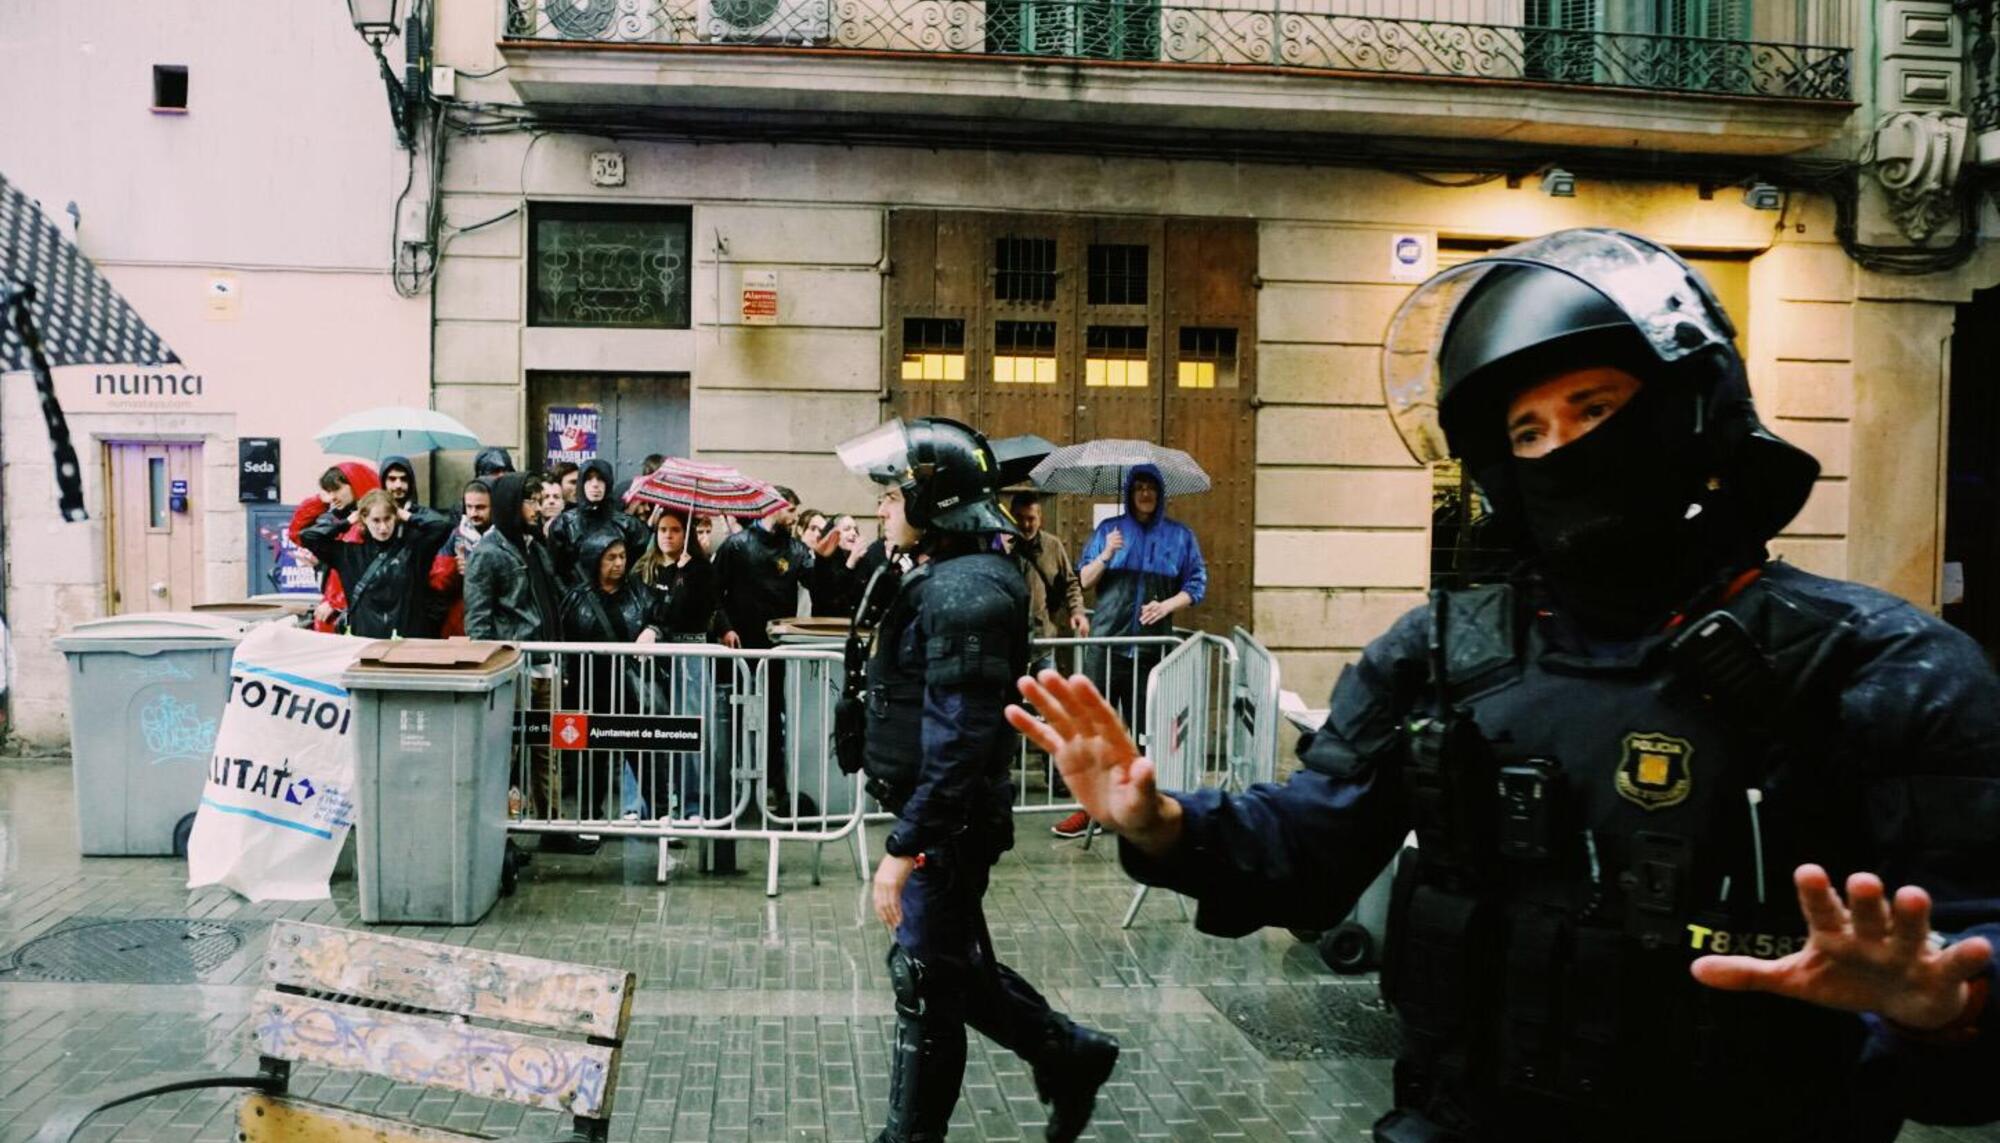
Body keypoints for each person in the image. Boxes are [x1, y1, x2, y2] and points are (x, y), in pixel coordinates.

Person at [1007, 229, 2000, 1143]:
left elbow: (1965, 948)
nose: (1561, 448)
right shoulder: (1438, 655)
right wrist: (1163, 823)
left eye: (1595, 409)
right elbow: (1306, 847)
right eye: (1526, 433)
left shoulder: (1885, 670)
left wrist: (1945, 1008)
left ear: (1693, 412)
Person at [836, 417, 1119, 1143]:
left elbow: (960, 742)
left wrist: (903, 848)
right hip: (938, 816)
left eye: (893, 496)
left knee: (927, 981)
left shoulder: (968, 593)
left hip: (948, 825)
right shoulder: (943, 574)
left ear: (934, 502)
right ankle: (1070, 1051)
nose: (881, 508)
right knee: (947, 969)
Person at [1053, 465, 1206, 838]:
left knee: (1145, 734)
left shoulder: (1180, 536)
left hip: (1151, 653)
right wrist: (1106, 554)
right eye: (1137, 487)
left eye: (1150, 487)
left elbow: (1197, 584)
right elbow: (1083, 581)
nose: (1144, 494)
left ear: (1160, 493)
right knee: (1095, 732)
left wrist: (1167, 606)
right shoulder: (1110, 531)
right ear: (1129, 493)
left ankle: (1137, 808)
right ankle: (1089, 810)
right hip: (1107, 646)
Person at [557, 529, 663, 821]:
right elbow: (563, 641)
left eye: (622, 556)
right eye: (610, 558)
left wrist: (653, 631)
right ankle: (590, 816)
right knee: (591, 758)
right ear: (595, 560)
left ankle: (662, 813)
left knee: (644, 753)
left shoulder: (639, 592)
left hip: (631, 687)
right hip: (589, 687)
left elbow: (660, 616)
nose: (618, 563)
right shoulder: (576, 599)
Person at [632, 506, 720, 825]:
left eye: (675, 530)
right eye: (663, 530)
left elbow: (692, 609)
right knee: (645, 728)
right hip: (654, 656)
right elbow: (651, 611)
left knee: (691, 729)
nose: (668, 536)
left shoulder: (700, 569)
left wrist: (683, 575)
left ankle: (693, 802)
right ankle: (640, 803)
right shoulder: (646, 568)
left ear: (686, 535)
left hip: (691, 651)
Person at [297, 489, 451, 639]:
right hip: (367, 644)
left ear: (395, 517)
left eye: (387, 518)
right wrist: (347, 521)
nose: (383, 528)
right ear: (364, 519)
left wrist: (406, 515)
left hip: (408, 643)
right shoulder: (348, 554)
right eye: (376, 520)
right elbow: (308, 537)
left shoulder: (414, 550)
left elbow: (443, 526)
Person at [289, 462, 380, 634]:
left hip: (349, 613)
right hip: (337, 611)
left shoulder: (370, 524)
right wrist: (319, 500)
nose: (332, 497)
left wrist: (335, 602)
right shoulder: (341, 518)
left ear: (354, 484)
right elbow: (297, 533)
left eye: (336, 489)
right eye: (329, 491)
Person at [1011, 491, 1090, 660]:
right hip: (1009, 642)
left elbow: (1070, 583)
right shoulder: (1002, 546)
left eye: (1031, 518)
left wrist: (1077, 611)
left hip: (1043, 640)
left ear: (1040, 518)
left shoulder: (1052, 546)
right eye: (1019, 518)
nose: (1025, 524)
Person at [549, 459, 648, 586]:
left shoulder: (628, 526)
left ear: (608, 483)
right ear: (581, 483)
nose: (595, 484)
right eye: (589, 479)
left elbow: (638, 569)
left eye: (601, 479)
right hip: (578, 599)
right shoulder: (564, 525)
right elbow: (556, 572)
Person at [427, 478, 491, 639]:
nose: (473, 513)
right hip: (460, 620)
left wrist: (474, 569)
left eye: (480, 507)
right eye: (469, 507)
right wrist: (453, 568)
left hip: (494, 620)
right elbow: (438, 581)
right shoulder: (458, 535)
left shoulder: (502, 537)